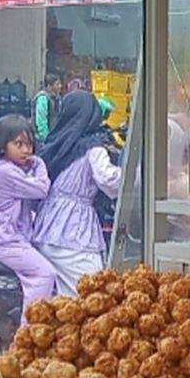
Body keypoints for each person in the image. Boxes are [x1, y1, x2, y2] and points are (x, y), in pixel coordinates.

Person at [33, 91, 122, 296]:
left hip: (46, 228)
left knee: (64, 297)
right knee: (93, 294)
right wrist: (134, 177)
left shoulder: (56, 142)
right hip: (74, 233)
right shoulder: (93, 147)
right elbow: (109, 180)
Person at [0, 115, 55, 322]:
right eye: (18, 144)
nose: (26, 151)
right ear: (2, 146)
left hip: (9, 237)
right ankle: (27, 335)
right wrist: (38, 164)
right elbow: (40, 189)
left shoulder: (11, 169)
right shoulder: (6, 172)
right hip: (4, 240)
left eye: (29, 145)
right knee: (45, 274)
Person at [33, 74, 62, 142]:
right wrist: (45, 138)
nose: (60, 86)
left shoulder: (57, 99)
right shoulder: (42, 98)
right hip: (43, 140)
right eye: (57, 84)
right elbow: (41, 120)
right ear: (49, 86)